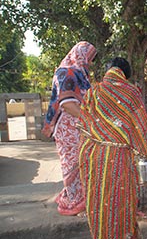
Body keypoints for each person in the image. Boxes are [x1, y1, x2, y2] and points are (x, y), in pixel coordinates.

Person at [78, 57, 147, 239]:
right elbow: (141, 126)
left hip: (92, 157)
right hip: (117, 158)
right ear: (125, 74)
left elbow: (84, 127)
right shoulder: (130, 92)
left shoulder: (92, 92)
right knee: (119, 201)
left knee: (97, 201)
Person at [42, 41, 97, 216]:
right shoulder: (66, 72)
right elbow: (67, 105)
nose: (90, 63)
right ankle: (74, 201)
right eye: (89, 58)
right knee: (72, 164)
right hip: (68, 128)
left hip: (80, 128)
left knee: (85, 163)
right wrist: (93, 120)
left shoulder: (80, 75)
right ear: (80, 55)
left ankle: (84, 199)